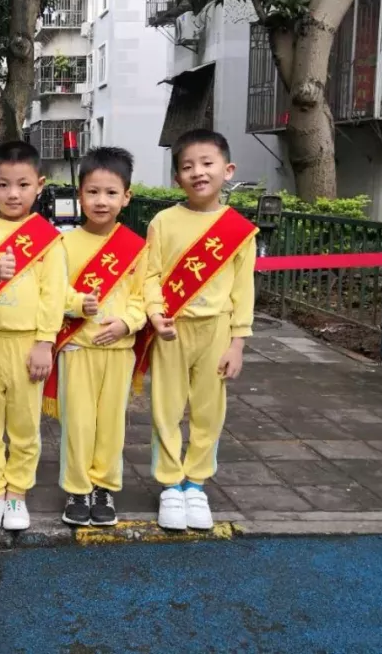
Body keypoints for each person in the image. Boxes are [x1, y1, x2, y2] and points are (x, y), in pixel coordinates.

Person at [143, 129, 257, 532]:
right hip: (172, 330)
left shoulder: (239, 230)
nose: (198, 172)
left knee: (209, 411)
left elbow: (243, 290)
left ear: (228, 170)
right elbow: (150, 275)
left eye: (207, 163)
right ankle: (170, 484)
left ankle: (196, 483)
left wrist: (238, 343)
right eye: (188, 166)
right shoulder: (163, 221)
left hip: (217, 331)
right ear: (177, 177)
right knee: (166, 408)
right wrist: (155, 312)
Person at [0, 141, 66, 532]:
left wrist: (45, 343)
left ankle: (18, 491)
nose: (13, 194)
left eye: (23, 185)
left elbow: (54, 295)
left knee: (24, 423)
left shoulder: (48, 237)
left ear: (39, 185)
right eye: (3, 185)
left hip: (27, 343)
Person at [54, 147, 147, 528]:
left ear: (126, 197)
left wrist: (127, 322)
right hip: (77, 347)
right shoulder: (63, 244)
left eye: (111, 193)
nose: (101, 201)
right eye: (92, 192)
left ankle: (104, 486)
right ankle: (77, 488)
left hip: (119, 350)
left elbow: (143, 296)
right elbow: (54, 292)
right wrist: (77, 304)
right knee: (78, 422)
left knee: (111, 424)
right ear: (80, 195)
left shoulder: (136, 247)